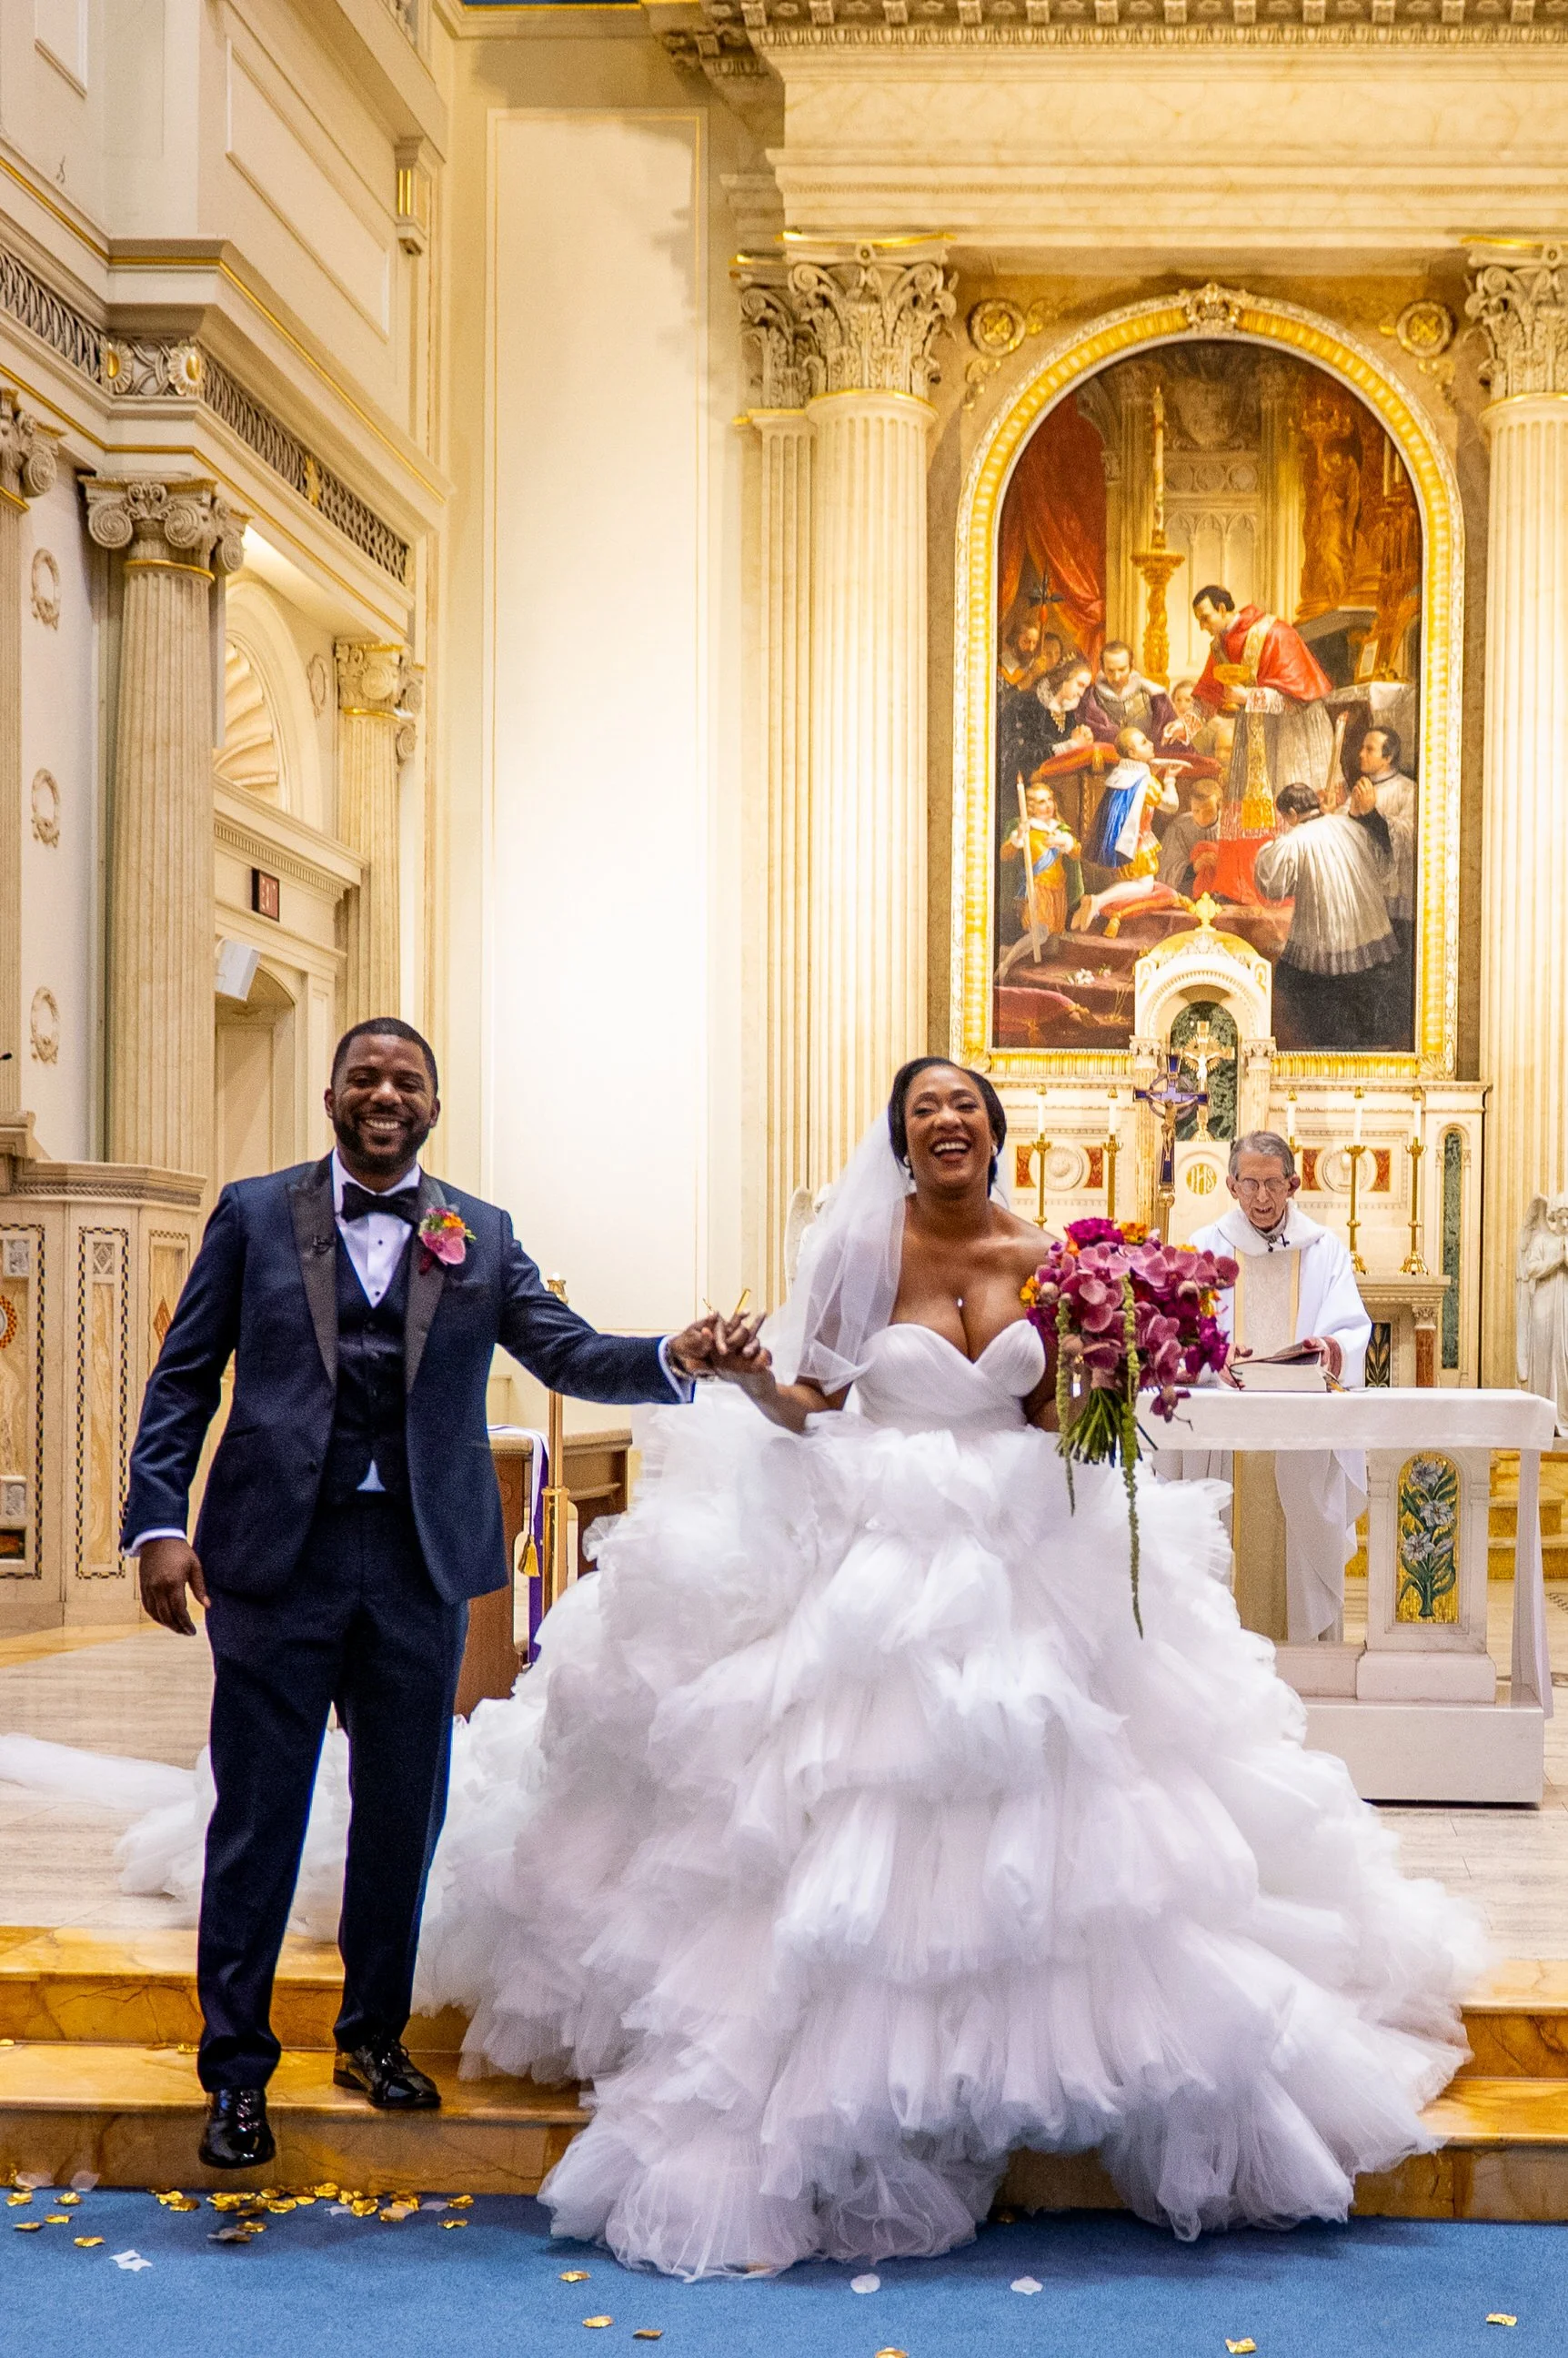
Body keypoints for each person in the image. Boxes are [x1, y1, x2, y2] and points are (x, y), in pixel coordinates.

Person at [16, 1062, 1478, 2274]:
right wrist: (732, 1367)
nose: (944, 1126)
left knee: (1059, 1829)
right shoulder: (845, 1252)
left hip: (1030, 1570)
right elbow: (806, 1395)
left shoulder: (1064, 1261)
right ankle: (238, 2074)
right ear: (896, 1137)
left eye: (965, 1108)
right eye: (922, 1114)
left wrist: (1114, 1366)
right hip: (825, 1564)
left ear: (998, 1132)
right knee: (287, 1817)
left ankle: (377, 2037)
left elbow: (1044, 1418)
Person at [121, 1017, 717, 2173]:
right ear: (332, 1095)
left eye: (407, 1081)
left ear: (433, 1107)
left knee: (403, 1817)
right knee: (256, 1823)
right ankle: (236, 2075)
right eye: (366, 1078)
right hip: (270, 1564)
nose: (385, 1094)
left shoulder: (478, 1234)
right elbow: (185, 1377)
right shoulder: (253, 1214)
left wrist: (672, 1357)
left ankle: (371, 2037)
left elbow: (565, 1350)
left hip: (417, 1566)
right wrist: (158, 1523)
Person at [1187, 1133, 1372, 1645]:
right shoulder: (1205, 1248)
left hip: (1302, 1430)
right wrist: (1211, 1356)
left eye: (1274, 1184)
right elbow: (1179, 1331)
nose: (1263, 1197)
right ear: (1231, 1185)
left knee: (1301, 1554)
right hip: (1229, 1435)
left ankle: (1308, 1663)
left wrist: (1326, 1348)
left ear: (1293, 1184)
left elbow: (1351, 1330)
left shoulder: (1324, 1249)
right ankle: (1222, 1660)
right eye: (1251, 1184)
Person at [1252, 780, 1399, 1049]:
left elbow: (1273, 885)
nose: (1286, 822)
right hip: (1365, 918)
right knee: (1357, 983)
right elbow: (1382, 864)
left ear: (1293, 814)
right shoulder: (1349, 825)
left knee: (1311, 986)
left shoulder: (1295, 839)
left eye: (1285, 817)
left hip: (1327, 923)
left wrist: (1265, 852)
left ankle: (1331, 1044)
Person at [997, 776, 1080, 977]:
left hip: (1058, 888)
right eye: (1042, 802)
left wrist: (1062, 842)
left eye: (1050, 799)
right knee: (1040, 933)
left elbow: (1076, 853)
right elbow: (1005, 854)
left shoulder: (1060, 829)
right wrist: (1018, 836)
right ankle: (1005, 964)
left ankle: (1006, 953)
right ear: (1031, 807)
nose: (1048, 805)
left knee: (1049, 945)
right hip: (1037, 888)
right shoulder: (1027, 828)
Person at [1082, 639, 1180, 750]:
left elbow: (1172, 740)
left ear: (1131, 666)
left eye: (1122, 669)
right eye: (1110, 671)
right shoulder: (1089, 700)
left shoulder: (1155, 698)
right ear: (1102, 668)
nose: (1116, 677)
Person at [1157, 781, 1221, 894]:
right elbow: (1165, 874)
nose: (1202, 817)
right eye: (1196, 811)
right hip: (1187, 893)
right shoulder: (1179, 827)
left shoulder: (1230, 825)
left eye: (1208, 811)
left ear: (1219, 807)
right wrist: (1194, 867)